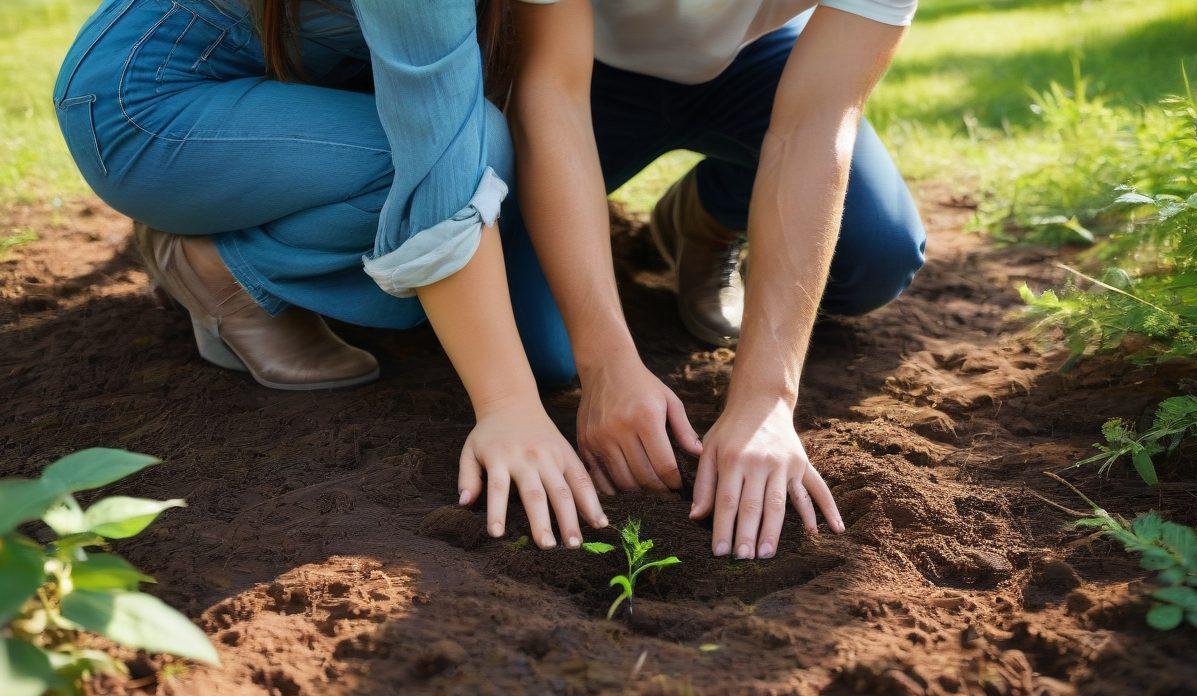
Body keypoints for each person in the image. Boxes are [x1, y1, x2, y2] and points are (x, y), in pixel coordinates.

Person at [53, 0, 608, 550]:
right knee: (458, 201)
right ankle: (219, 266)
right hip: (147, 100)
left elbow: (556, 99)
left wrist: (614, 367)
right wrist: (508, 408)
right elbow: (443, 164)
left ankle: (226, 229)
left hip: (272, 84)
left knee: (542, 349)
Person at [507, 1, 926, 561]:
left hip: (756, 61)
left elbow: (816, 122)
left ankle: (703, 212)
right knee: (541, 352)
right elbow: (552, 92)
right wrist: (606, 364)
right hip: (584, 68)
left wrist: (766, 400)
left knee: (875, 256)